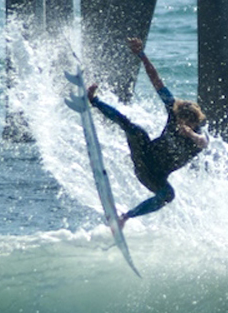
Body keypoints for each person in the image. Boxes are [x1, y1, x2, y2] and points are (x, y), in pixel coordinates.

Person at [87, 38, 208, 229]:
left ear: (195, 123)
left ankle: (125, 217)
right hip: (144, 155)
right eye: (179, 122)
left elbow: (203, 142)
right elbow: (157, 81)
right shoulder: (174, 111)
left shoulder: (198, 137)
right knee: (135, 129)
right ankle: (94, 100)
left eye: (187, 124)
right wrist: (141, 55)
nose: (180, 127)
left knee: (168, 195)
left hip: (153, 177)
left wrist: (191, 135)